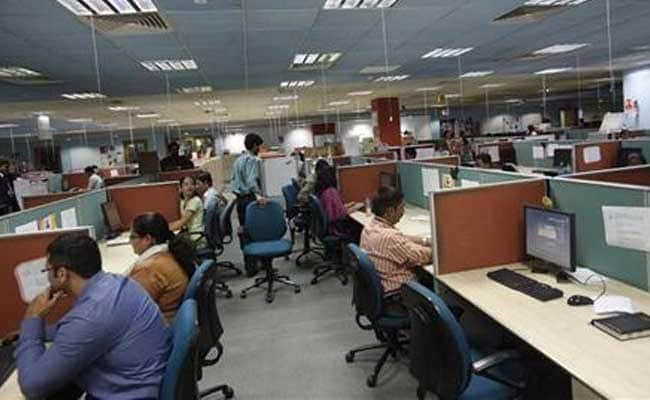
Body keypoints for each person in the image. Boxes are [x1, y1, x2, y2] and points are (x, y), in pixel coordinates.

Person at [13, 233, 170, 399]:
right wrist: (36, 332)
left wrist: (32, 319)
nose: (48, 276)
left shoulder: (91, 315)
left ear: (62, 274)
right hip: (146, 381)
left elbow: (32, 386)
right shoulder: (117, 283)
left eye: (48, 270)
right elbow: (77, 330)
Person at [360, 187, 432, 295]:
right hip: (399, 291)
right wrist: (442, 247)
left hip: (383, 283)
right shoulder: (390, 237)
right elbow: (422, 256)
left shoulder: (370, 227)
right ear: (390, 211)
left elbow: (402, 239)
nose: (403, 212)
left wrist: (425, 240)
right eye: (402, 207)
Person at [128, 212, 196, 324]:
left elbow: (131, 308)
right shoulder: (168, 253)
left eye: (132, 237)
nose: (129, 242)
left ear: (147, 239)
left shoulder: (150, 268)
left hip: (160, 325)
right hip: (172, 317)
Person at [316, 166, 363, 243]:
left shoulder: (325, 191)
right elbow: (339, 214)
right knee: (360, 227)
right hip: (336, 229)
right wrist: (357, 207)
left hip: (331, 227)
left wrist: (350, 205)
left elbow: (336, 209)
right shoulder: (331, 192)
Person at [231, 133, 268, 226]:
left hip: (239, 200)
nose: (259, 149)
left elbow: (233, 180)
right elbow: (251, 181)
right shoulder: (253, 160)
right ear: (255, 145)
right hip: (250, 199)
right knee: (254, 227)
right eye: (259, 146)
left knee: (244, 227)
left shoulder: (238, 160)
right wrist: (260, 195)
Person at [170, 176, 205, 248]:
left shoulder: (195, 201)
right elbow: (181, 222)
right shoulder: (183, 201)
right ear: (180, 188)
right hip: (188, 234)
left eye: (192, 184)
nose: (189, 186)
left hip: (196, 237)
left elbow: (183, 221)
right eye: (186, 184)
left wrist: (165, 229)